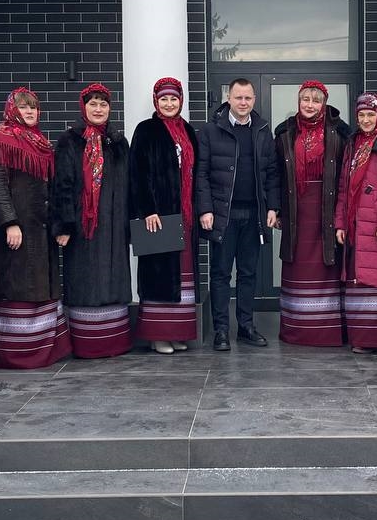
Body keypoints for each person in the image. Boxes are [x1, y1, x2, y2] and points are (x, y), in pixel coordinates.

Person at [0, 87, 70, 368]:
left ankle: (44, 350)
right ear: (12, 110)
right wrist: (9, 222)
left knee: (40, 285)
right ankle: (18, 354)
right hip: (17, 229)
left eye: (33, 107)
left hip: (40, 229)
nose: (30, 111)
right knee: (19, 286)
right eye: (23, 107)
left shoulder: (40, 142)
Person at [197, 78, 280, 351]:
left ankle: (246, 327)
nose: (243, 102)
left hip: (254, 214)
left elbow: (272, 173)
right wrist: (205, 208)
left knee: (248, 273)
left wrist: (272, 207)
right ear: (229, 99)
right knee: (221, 274)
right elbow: (201, 174)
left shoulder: (262, 130)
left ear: (254, 100)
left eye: (247, 98)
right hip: (223, 215)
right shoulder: (210, 130)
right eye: (238, 97)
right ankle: (221, 330)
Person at [53, 83, 132, 358]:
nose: (98, 109)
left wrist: (129, 225)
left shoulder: (118, 142)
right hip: (82, 226)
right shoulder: (70, 141)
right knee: (84, 278)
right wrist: (64, 225)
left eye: (103, 104)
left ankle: (114, 343)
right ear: (83, 107)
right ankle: (86, 343)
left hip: (114, 224)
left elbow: (129, 185)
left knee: (112, 276)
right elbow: (62, 185)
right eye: (93, 104)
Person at [275, 80, 350, 346]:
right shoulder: (284, 132)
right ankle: (297, 330)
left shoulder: (340, 132)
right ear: (298, 101)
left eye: (316, 101)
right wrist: (277, 208)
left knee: (326, 267)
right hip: (295, 211)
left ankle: (326, 332)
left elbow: (346, 176)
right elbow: (276, 174)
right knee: (298, 268)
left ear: (324, 104)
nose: (310, 105)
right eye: (305, 99)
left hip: (327, 211)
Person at [130, 77, 199, 354]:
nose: (169, 104)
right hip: (158, 216)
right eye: (163, 99)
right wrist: (148, 209)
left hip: (183, 215)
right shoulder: (146, 130)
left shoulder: (188, 130)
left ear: (180, 101)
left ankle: (177, 333)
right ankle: (158, 336)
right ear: (156, 101)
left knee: (182, 273)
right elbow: (137, 173)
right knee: (158, 274)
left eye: (173, 99)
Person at [335, 93, 377, 353]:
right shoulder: (354, 144)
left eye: (370, 115)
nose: (365, 120)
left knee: (374, 279)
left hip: (376, 225)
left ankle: (372, 341)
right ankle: (359, 339)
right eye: (361, 115)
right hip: (355, 223)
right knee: (357, 280)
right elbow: (343, 188)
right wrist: (340, 223)